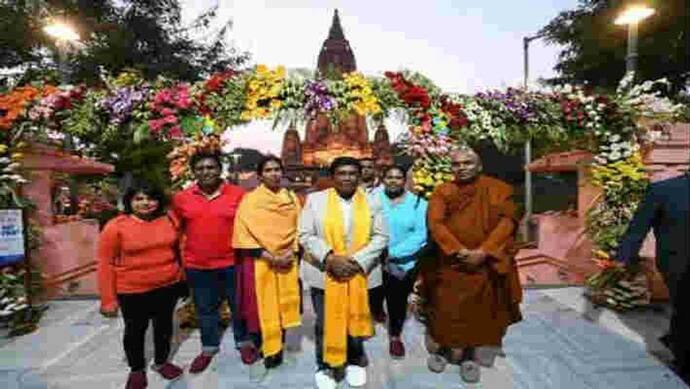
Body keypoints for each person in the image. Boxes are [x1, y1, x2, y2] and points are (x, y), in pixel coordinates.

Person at [423, 147, 522, 384]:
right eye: (456, 164)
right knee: (445, 308)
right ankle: (442, 350)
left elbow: (508, 223)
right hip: (450, 262)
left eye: (467, 163)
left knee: (478, 311)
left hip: (485, 263)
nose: (462, 168)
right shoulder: (443, 191)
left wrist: (484, 251)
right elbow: (436, 223)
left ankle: (469, 356)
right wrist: (458, 250)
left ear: (479, 166)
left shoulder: (499, 189)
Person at [299, 156, 389, 389]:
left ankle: (355, 360)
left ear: (359, 176)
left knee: (356, 317)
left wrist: (356, 261)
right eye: (341, 173)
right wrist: (330, 258)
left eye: (352, 173)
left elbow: (381, 236)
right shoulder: (315, 200)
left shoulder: (373, 201)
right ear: (332, 177)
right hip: (324, 272)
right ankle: (326, 364)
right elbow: (305, 235)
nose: (347, 177)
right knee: (325, 321)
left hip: (360, 272)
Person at [172, 151, 257, 374]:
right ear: (194, 172)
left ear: (219, 170)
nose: (206, 172)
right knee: (205, 309)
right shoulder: (182, 198)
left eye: (210, 167)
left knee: (239, 306)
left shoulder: (238, 194)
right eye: (200, 168)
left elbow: (250, 226)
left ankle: (244, 342)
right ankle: (208, 348)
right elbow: (176, 231)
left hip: (233, 262)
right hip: (198, 265)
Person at [97, 180, 185, 389]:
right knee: (135, 331)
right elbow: (105, 263)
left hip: (167, 285)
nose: (146, 203)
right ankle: (137, 368)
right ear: (129, 201)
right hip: (132, 290)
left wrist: (183, 279)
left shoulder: (169, 220)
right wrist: (108, 300)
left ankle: (162, 361)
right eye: (139, 199)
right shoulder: (116, 226)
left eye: (151, 198)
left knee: (164, 327)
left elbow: (180, 249)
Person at [614, 172, 690, 385]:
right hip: (678, 265)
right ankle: (683, 363)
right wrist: (623, 258)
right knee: (685, 310)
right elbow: (638, 228)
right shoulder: (663, 190)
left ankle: (674, 341)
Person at [232, 156, 302, 370]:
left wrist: (291, 251)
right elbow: (243, 233)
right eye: (269, 170)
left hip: (288, 259)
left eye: (277, 169)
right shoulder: (250, 200)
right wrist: (269, 256)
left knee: (283, 304)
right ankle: (265, 345)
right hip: (259, 261)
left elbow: (300, 227)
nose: (274, 174)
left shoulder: (291, 198)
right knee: (260, 307)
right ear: (260, 175)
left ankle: (278, 343)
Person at [378, 165, 428, 359]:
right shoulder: (373, 200)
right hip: (374, 259)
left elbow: (420, 235)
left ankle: (395, 336)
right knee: (374, 296)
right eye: (389, 177)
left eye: (398, 177)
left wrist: (392, 253)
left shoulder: (417, 204)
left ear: (404, 181)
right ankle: (376, 313)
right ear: (383, 179)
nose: (393, 181)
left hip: (403, 263)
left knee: (396, 301)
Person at [359, 157, 386, 323]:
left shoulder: (383, 190)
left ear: (375, 170)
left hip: (378, 238)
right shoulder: (349, 190)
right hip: (356, 239)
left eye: (369, 167)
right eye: (362, 167)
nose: (365, 170)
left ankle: (377, 308)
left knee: (378, 277)